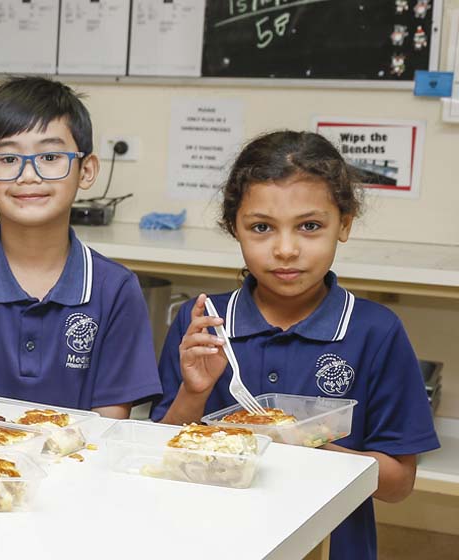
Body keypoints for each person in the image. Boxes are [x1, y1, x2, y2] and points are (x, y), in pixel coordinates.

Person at [152, 130, 439, 559]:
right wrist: (193, 394)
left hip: (331, 547)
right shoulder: (205, 324)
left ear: (344, 224)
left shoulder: (375, 332)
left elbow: (399, 484)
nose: (286, 250)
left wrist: (308, 443)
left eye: (309, 226)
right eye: (262, 227)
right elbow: (161, 456)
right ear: (235, 228)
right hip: (211, 541)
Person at [0, 77, 162, 418]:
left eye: (50, 156)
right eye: (8, 159)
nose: (28, 175)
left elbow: (109, 428)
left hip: (80, 465)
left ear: (87, 170)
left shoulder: (115, 289)